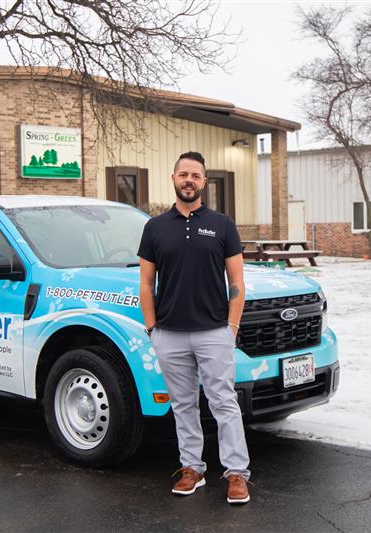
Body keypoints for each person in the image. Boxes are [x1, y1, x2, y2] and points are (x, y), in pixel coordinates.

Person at [137, 151, 250, 504]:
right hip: (169, 334)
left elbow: (237, 281)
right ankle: (192, 468)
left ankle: (236, 474)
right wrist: (152, 328)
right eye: (183, 174)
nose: (189, 180)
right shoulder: (155, 227)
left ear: (204, 182)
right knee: (183, 405)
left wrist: (231, 326)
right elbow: (145, 283)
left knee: (224, 403)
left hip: (213, 331)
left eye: (196, 175)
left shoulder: (222, 224)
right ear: (173, 179)